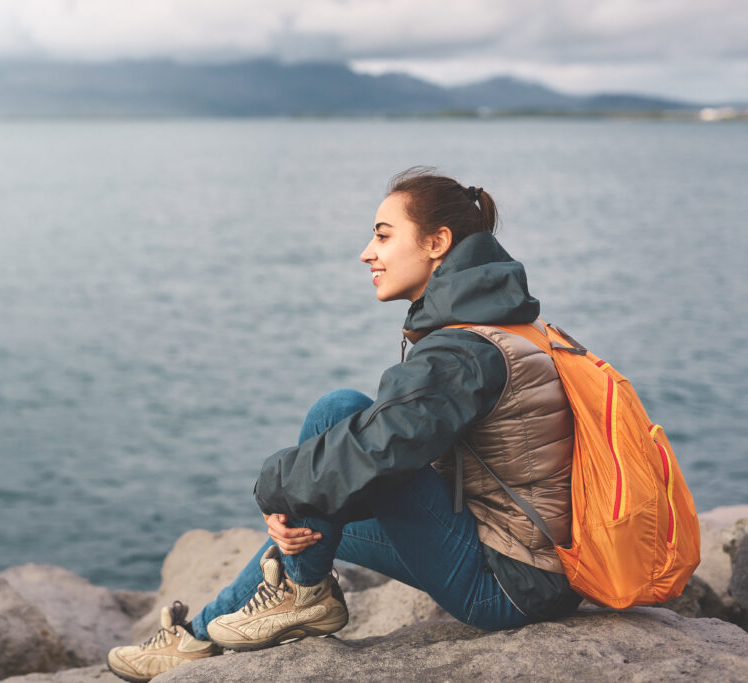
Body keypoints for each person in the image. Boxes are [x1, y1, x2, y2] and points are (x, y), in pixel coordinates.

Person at [107, 167, 582, 682]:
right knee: (314, 522)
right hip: (532, 566)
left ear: (437, 242)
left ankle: (305, 597)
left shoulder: (464, 351)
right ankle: (200, 636)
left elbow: (385, 445)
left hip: (511, 583)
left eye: (382, 235)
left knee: (336, 412)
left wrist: (278, 487)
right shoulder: (502, 325)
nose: (366, 253)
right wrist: (308, 503)